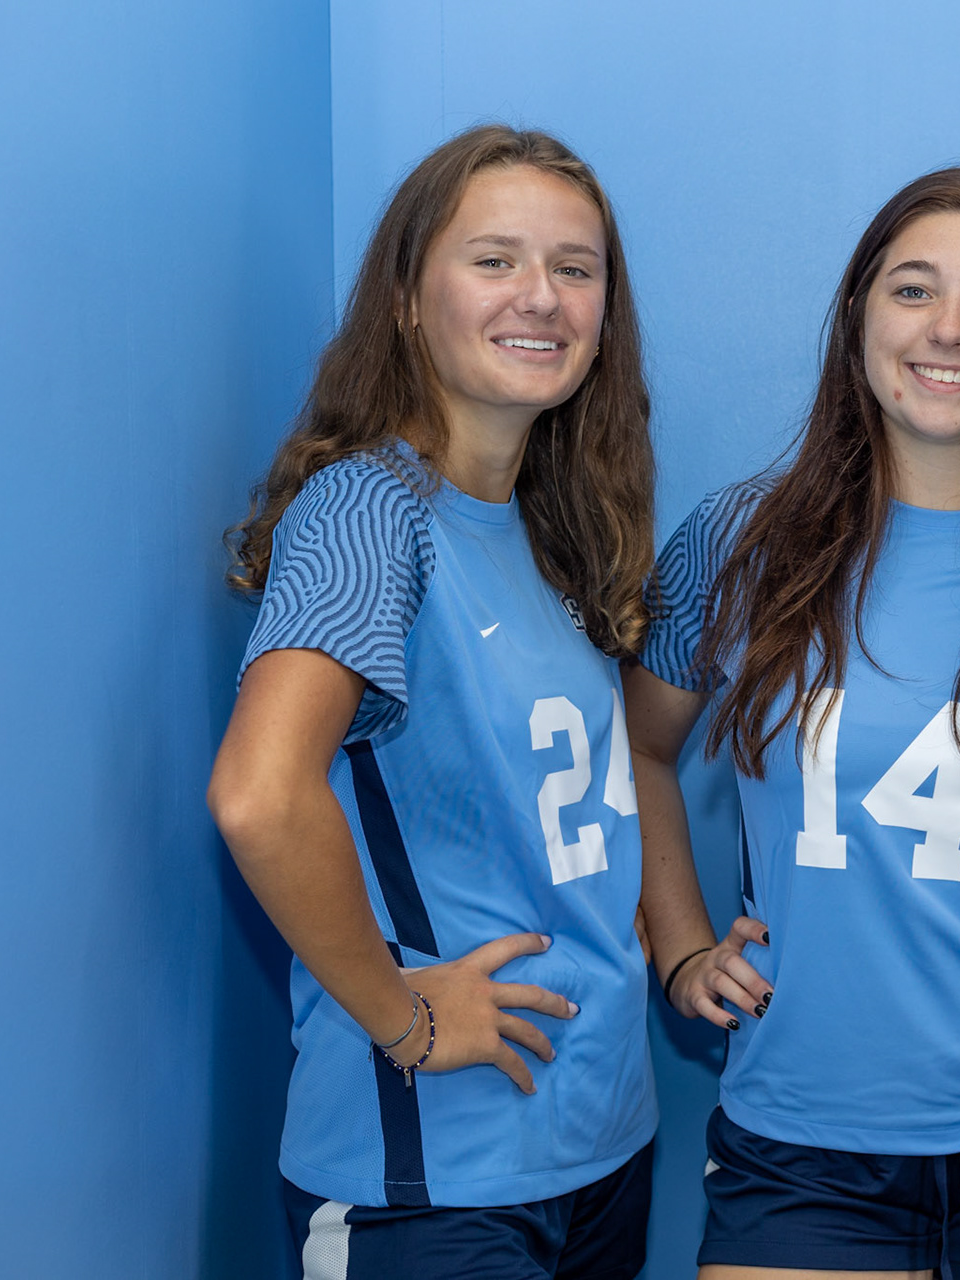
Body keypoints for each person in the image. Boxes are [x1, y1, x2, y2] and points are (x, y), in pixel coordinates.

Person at [627, 166, 960, 1279]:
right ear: (858, 320)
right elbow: (634, 745)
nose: (949, 328)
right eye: (914, 289)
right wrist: (679, 950)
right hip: (802, 1144)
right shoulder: (743, 542)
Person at [207, 124, 658, 1280]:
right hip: (433, 1173)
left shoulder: (560, 529)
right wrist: (403, 1016)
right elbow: (261, 794)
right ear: (408, 298)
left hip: (599, 1145)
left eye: (574, 267)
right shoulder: (371, 509)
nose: (541, 296)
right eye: (494, 259)